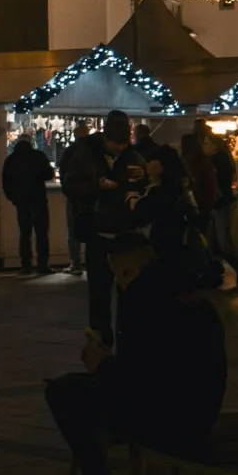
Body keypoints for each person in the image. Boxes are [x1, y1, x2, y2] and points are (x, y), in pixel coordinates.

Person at [44, 233, 226, 475]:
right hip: (200, 410)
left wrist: (102, 364)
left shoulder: (142, 298)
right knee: (78, 388)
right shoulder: (185, 292)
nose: (116, 283)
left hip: (169, 418)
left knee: (64, 393)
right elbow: (156, 366)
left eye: (117, 275)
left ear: (129, 271)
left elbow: (140, 382)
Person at [61, 111, 146, 347]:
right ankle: (101, 340)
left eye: (123, 143)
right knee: (99, 292)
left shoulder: (132, 156)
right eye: (116, 143)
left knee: (130, 292)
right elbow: (71, 184)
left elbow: (143, 185)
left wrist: (143, 176)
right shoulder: (86, 154)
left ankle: (127, 339)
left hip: (125, 234)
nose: (120, 148)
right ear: (105, 139)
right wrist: (96, 186)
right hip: (98, 232)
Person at [3, 134, 55, 274]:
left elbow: (6, 181)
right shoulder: (39, 156)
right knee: (41, 234)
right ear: (31, 142)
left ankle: (25, 265)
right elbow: (48, 175)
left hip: (21, 201)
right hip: (38, 199)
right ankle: (42, 265)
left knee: (24, 234)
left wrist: (13, 198)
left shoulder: (11, 159)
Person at [202, 134, 238, 287]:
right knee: (217, 240)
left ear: (215, 145)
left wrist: (215, 202)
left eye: (207, 143)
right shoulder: (221, 159)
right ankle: (231, 268)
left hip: (220, 204)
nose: (204, 146)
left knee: (222, 240)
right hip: (221, 203)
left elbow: (219, 185)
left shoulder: (218, 161)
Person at [59, 124, 92, 275]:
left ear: (75, 134)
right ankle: (92, 262)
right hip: (92, 195)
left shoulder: (70, 151)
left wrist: (68, 191)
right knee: (93, 229)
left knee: (73, 230)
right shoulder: (95, 150)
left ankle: (76, 263)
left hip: (74, 196)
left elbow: (63, 173)